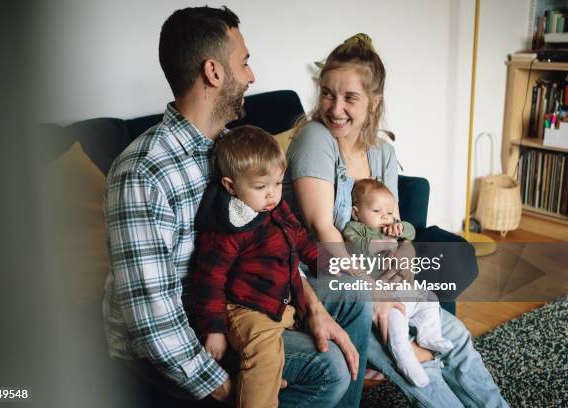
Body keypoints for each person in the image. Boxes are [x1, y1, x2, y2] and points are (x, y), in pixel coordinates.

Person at [102, 6, 369, 407]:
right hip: (189, 331)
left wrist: (313, 305)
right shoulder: (143, 172)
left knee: (351, 296)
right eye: (244, 63)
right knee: (325, 369)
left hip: (242, 295)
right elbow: (153, 323)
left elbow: (278, 234)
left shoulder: (234, 150)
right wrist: (229, 389)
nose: (251, 76)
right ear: (213, 72)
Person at [283, 33, 509, 406]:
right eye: (327, 93)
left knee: (455, 339)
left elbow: (392, 230)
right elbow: (321, 232)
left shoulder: (383, 153)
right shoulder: (314, 139)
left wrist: (401, 269)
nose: (335, 108)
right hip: (324, 277)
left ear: (374, 102)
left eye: (350, 97)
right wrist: (378, 295)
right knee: (415, 360)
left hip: (374, 273)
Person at [194, 125, 323, 408]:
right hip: (243, 308)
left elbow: (299, 237)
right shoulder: (228, 227)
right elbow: (209, 280)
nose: (272, 195)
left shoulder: (274, 207)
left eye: (277, 184)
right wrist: (214, 329)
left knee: (343, 301)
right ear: (231, 186)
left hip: (277, 301)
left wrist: (322, 261)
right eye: (260, 187)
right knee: (265, 354)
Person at [343, 178, 453, 388]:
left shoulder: (390, 226)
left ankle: (430, 335)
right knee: (395, 320)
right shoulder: (355, 229)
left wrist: (400, 227)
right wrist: (384, 242)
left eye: (389, 212)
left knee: (429, 299)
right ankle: (405, 359)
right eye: (376, 211)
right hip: (381, 291)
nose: (385, 217)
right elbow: (354, 246)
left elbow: (410, 232)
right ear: (356, 213)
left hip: (402, 286)